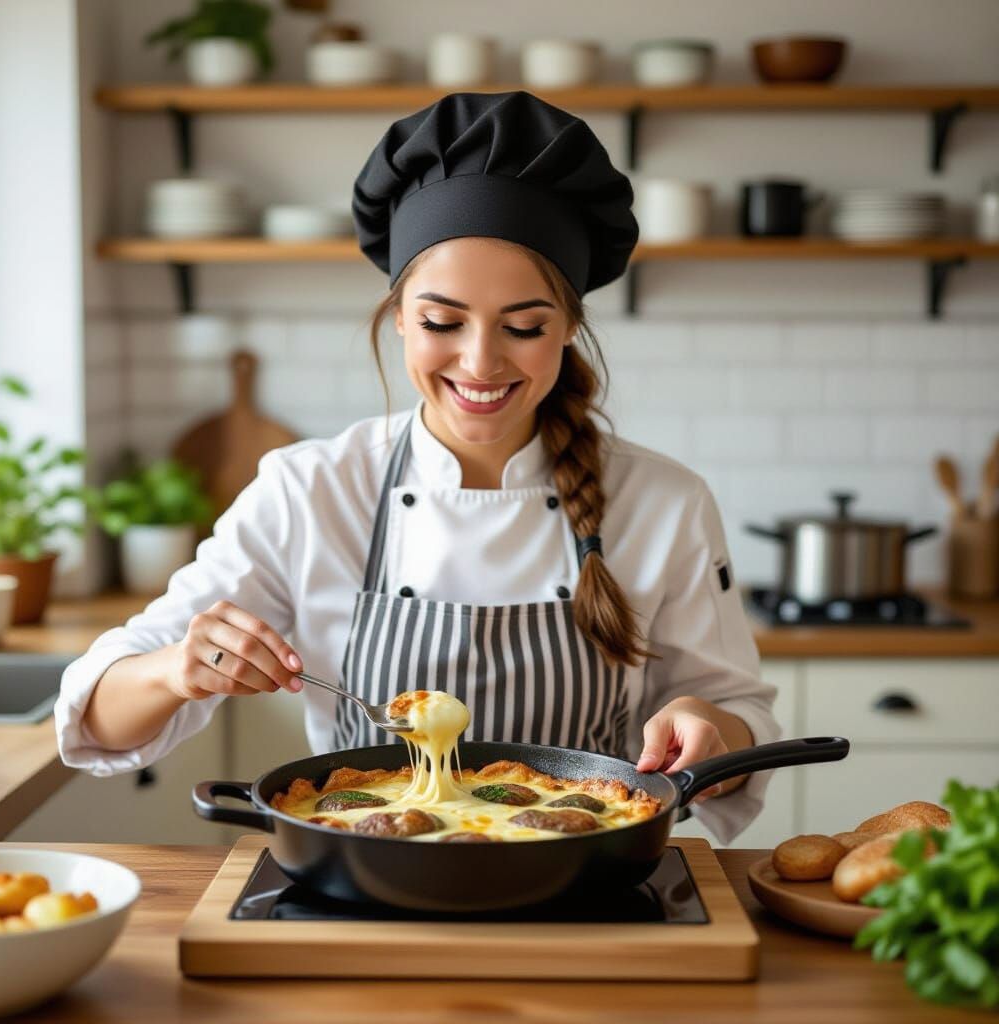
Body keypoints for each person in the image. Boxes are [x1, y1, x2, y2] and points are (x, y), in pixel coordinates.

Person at [56, 91, 779, 844]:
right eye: (441, 321)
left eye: (524, 326)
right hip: (360, 877)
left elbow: (741, 716)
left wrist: (706, 719)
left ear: (568, 325)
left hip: (581, 886)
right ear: (400, 313)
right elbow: (97, 713)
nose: (480, 362)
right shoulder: (311, 490)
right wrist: (179, 669)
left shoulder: (663, 500)